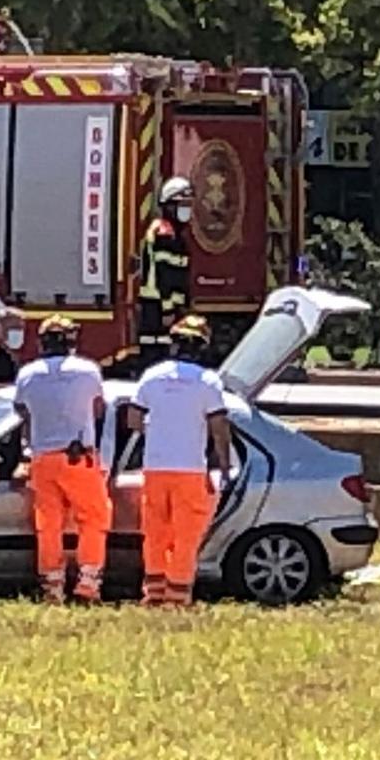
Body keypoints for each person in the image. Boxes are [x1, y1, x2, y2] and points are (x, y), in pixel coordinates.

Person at [127, 313, 232, 606]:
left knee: (155, 532)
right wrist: (223, 464)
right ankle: (178, 594)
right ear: (202, 347)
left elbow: (134, 419)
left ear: (173, 345)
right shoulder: (208, 382)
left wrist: (159, 430)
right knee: (186, 534)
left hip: (155, 467)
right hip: (190, 469)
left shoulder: (152, 376)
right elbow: (219, 427)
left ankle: (154, 593)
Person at [12, 314, 113, 604]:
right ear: (72, 342)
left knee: (49, 524)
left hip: (43, 458)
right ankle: (88, 583)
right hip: (78, 458)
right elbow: (97, 409)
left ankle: (52, 587)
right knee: (94, 517)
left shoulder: (28, 374)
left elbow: (22, 412)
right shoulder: (88, 371)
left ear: (41, 342)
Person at [136, 178, 195, 366]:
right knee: (157, 353)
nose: (187, 210)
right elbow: (165, 277)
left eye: (189, 204)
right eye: (182, 204)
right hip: (157, 307)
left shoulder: (174, 233)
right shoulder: (164, 233)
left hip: (161, 307)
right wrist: (168, 309)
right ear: (169, 206)